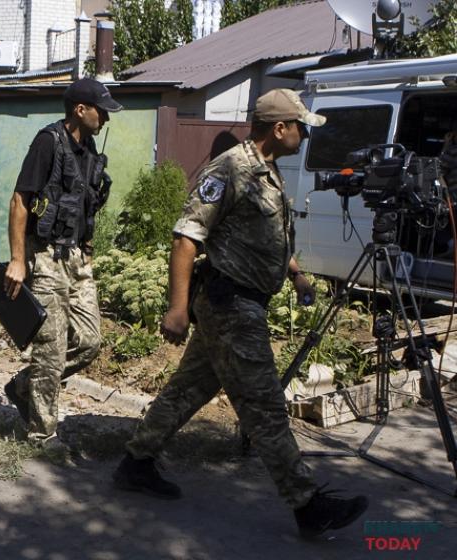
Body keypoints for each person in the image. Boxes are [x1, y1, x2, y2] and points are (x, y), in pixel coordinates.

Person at [112, 89, 369, 538]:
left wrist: (295, 275)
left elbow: (265, 234)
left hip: (239, 303)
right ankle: (307, 505)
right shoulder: (231, 168)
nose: (306, 134)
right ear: (279, 128)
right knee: (266, 407)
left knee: (187, 389)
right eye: (301, 126)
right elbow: (185, 239)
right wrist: (176, 309)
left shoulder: (267, 172)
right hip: (230, 306)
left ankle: (136, 462)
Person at [2, 78, 122, 452]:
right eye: (101, 110)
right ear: (80, 109)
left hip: (77, 257)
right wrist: (18, 260)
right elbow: (21, 201)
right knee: (50, 348)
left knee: (89, 342)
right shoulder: (48, 142)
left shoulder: (89, 150)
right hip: (46, 255)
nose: (105, 117)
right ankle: (42, 434)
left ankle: (26, 386)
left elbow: (85, 206)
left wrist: (88, 249)